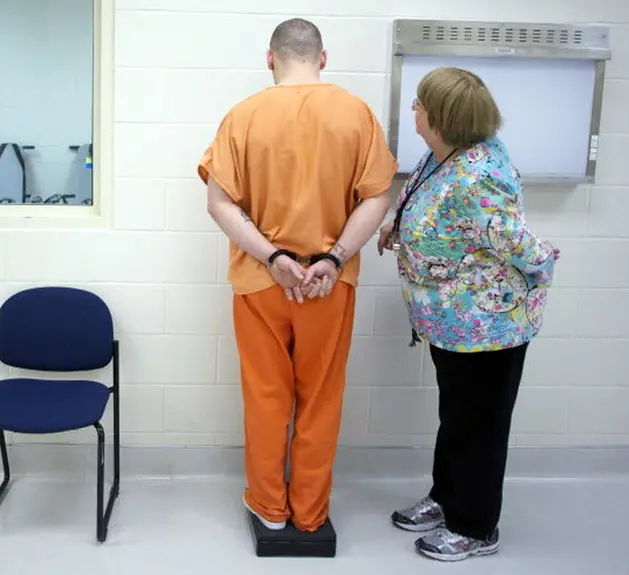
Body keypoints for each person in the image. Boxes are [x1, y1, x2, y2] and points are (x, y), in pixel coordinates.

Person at [198, 18, 397, 533]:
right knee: (321, 397)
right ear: (323, 58)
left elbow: (219, 203)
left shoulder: (243, 117)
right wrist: (332, 259)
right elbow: (377, 195)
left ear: (270, 59)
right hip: (329, 285)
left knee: (267, 398)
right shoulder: (356, 115)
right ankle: (310, 512)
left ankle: (269, 507)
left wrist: (272, 257)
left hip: (262, 283)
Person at [377, 67, 560, 562]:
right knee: (456, 415)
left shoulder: (480, 174)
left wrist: (544, 259)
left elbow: (514, 241)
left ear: (441, 118)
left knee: (479, 423)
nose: (413, 108)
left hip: (490, 327)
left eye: (419, 103)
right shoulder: (441, 154)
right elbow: (417, 195)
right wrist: (395, 226)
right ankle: (446, 497)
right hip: (451, 321)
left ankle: (476, 527)